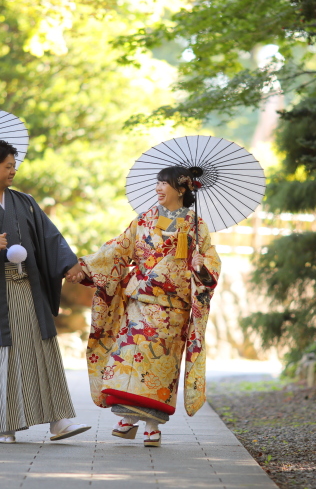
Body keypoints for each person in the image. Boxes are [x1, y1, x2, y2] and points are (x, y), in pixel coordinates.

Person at [67, 166, 221, 447]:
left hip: (172, 310)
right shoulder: (144, 220)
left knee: (160, 366)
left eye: (164, 183)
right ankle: (127, 418)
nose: (158, 188)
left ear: (182, 189)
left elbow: (211, 264)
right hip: (139, 303)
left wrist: (201, 268)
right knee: (128, 358)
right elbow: (117, 250)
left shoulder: (196, 226)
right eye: (157, 183)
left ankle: (152, 425)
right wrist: (85, 267)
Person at [0, 140, 90, 444]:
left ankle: (59, 421)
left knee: (42, 351)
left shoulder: (25, 202)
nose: (13, 171)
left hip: (29, 287)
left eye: (14, 166)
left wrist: (69, 264)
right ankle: (3, 426)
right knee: (3, 357)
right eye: (8, 166)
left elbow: (50, 237)